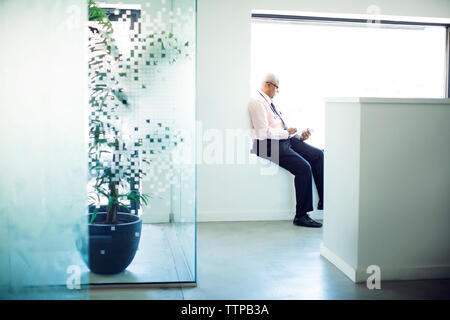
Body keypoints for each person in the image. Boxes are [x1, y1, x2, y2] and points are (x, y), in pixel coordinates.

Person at [248, 73, 324, 228]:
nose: (277, 91)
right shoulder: (257, 103)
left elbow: (279, 127)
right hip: (266, 145)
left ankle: (324, 201)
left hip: (282, 139)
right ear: (268, 85)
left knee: (318, 155)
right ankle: (301, 216)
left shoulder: (270, 103)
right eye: (277, 87)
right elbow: (262, 133)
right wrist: (286, 134)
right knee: (303, 168)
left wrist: (298, 135)